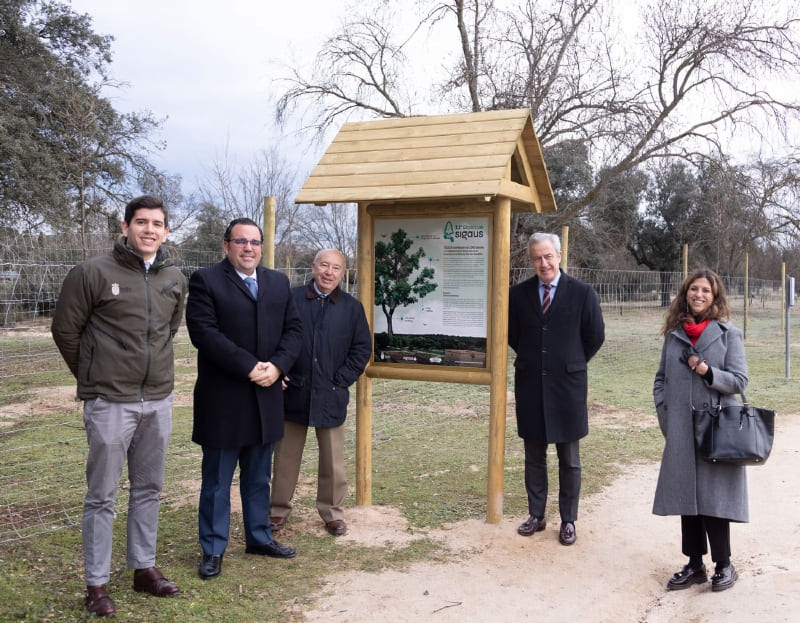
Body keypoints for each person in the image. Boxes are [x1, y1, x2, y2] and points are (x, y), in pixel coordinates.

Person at [51, 195, 187, 617]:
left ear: (166, 232)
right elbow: (65, 330)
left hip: (158, 399)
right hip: (110, 402)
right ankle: (96, 583)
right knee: (101, 496)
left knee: (149, 489)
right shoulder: (92, 273)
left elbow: (170, 329)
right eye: (141, 222)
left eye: (157, 224)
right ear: (125, 227)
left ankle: (143, 568)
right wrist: (93, 376)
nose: (149, 230)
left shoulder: (174, 277)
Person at [186, 217, 303, 581]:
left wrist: (279, 366)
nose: (248, 248)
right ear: (226, 246)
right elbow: (204, 333)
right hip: (224, 400)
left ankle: (259, 537)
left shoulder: (277, 282)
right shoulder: (206, 280)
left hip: (266, 397)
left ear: (262, 247)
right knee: (218, 482)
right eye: (240, 241)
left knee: (257, 478)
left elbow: (294, 330)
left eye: (254, 242)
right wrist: (250, 366)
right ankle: (213, 549)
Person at [653, 268, 748, 592]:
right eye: (694, 289)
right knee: (686, 497)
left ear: (715, 296)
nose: (699, 295)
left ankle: (724, 564)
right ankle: (694, 565)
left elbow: (739, 380)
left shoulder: (728, 333)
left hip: (716, 429)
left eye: (706, 290)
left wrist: (708, 372)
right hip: (680, 426)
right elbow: (661, 378)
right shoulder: (674, 334)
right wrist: (665, 412)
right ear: (685, 293)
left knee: (714, 499)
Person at [508, 232, 605, 546]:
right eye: (537, 257)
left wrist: (571, 361)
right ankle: (536, 515)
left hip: (568, 387)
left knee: (569, 458)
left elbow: (595, 336)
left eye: (548, 256)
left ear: (559, 256)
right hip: (531, 385)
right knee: (533, 455)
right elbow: (514, 336)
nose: (543, 263)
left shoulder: (582, 293)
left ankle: (568, 520)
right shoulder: (518, 294)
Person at [269, 249, 371, 536]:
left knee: (333, 460)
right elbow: (274, 336)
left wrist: (341, 380)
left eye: (336, 268)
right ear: (313, 267)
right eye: (324, 265)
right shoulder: (291, 299)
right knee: (286, 456)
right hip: (294, 390)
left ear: (343, 273)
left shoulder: (352, 307)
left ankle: (332, 512)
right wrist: (280, 369)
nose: (329, 272)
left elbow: (362, 348)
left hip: (331, 393)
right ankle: (277, 509)